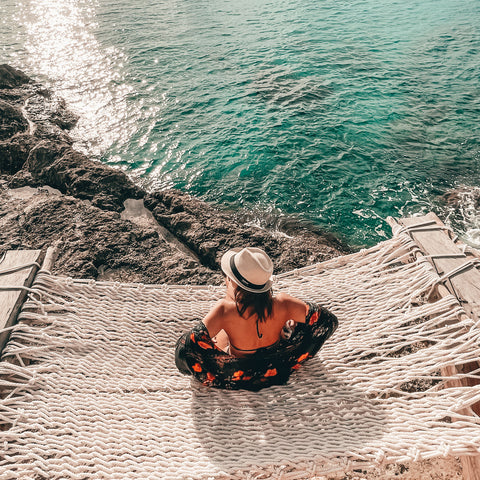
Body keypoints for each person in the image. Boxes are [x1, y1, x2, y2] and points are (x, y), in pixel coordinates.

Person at [175, 247, 338, 391]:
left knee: (200, 341)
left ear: (232, 281)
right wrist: (294, 344)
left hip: (240, 373)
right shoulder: (284, 303)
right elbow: (327, 320)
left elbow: (188, 345)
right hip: (275, 368)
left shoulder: (225, 310)